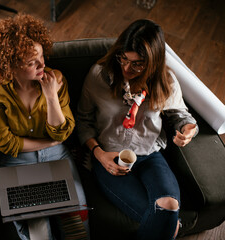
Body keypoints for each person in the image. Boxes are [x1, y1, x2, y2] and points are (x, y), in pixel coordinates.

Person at [77, 19, 198, 240]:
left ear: (153, 62)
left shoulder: (166, 81)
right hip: (109, 157)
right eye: (123, 58)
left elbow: (181, 116)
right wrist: (100, 155)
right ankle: (172, 227)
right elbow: (83, 121)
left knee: (169, 206)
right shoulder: (98, 76)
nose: (126, 68)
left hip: (150, 155)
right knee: (166, 221)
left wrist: (188, 130)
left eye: (137, 64)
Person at [0, 14, 88, 240]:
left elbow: (63, 132)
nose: (42, 65)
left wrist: (51, 97)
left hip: (56, 156)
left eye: (41, 56)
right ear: (10, 65)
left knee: (77, 222)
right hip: (17, 159)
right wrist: (49, 143)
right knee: (37, 230)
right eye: (32, 62)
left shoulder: (55, 79)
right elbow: (4, 143)